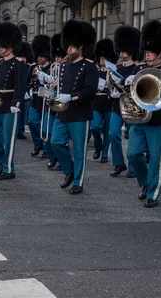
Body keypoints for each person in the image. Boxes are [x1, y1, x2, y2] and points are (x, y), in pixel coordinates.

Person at [126, 21, 161, 208]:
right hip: (139, 118)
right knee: (133, 153)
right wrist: (126, 83)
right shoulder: (139, 68)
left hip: (159, 119)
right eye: (146, 51)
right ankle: (145, 183)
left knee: (157, 158)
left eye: (151, 51)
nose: (147, 54)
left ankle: (153, 193)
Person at [50, 20, 98, 194]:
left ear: (81, 47)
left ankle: (78, 181)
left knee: (79, 150)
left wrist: (71, 97)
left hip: (79, 113)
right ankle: (69, 171)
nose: (69, 50)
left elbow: (90, 91)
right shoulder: (63, 66)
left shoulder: (89, 66)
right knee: (56, 142)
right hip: (63, 112)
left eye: (72, 47)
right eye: (68, 46)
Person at [0, 22, 28, 180]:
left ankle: (8, 169)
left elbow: (20, 86)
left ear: (11, 46)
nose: (0, 48)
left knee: (8, 139)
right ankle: (3, 161)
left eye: (3, 46)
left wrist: (16, 103)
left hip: (10, 105)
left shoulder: (18, 64)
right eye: (0, 45)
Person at [108, 26, 141, 178]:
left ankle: (133, 166)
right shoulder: (117, 68)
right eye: (120, 50)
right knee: (113, 133)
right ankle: (118, 163)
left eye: (124, 50)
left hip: (133, 108)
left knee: (133, 136)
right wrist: (112, 92)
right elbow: (111, 88)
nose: (121, 52)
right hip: (117, 106)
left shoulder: (138, 68)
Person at [91, 38, 117, 163]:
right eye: (101, 59)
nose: (103, 61)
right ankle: (98, 147)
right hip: (96, 102)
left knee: (107, 130)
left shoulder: (113, 71)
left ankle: (105, 153)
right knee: (94, 127)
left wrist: (107, 86)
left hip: (109, 102)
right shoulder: (94, 71)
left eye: (105, 59)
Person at [28, 35, 52, 158]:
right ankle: (38, 145)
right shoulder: (34, 67)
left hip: (46, 99)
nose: (39, 58)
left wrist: (46, 78)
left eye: (42, 56)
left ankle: (47, 149)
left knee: (45, 127)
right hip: (35, 99)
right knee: (32, 122)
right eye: (38, 56)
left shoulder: (52, 67)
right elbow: (28, 81)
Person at [46, 34, 66, 170]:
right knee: (49, 133)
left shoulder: (66, 68)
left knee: (60, 138)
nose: (57, 59)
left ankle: (61, 160)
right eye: (56, 57)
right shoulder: (54, 68)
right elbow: (51, 87)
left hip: (64, 105)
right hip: (53, 103)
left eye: (60, 57)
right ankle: (53, 157)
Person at [16, 42, 34, 140]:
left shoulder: (29, 67)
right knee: (18, 111)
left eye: (24, 57)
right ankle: (17, 130)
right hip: (18, 91)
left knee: (24, 112)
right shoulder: (18, 65)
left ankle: (21, 130)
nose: (22, 58)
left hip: (27, 90)